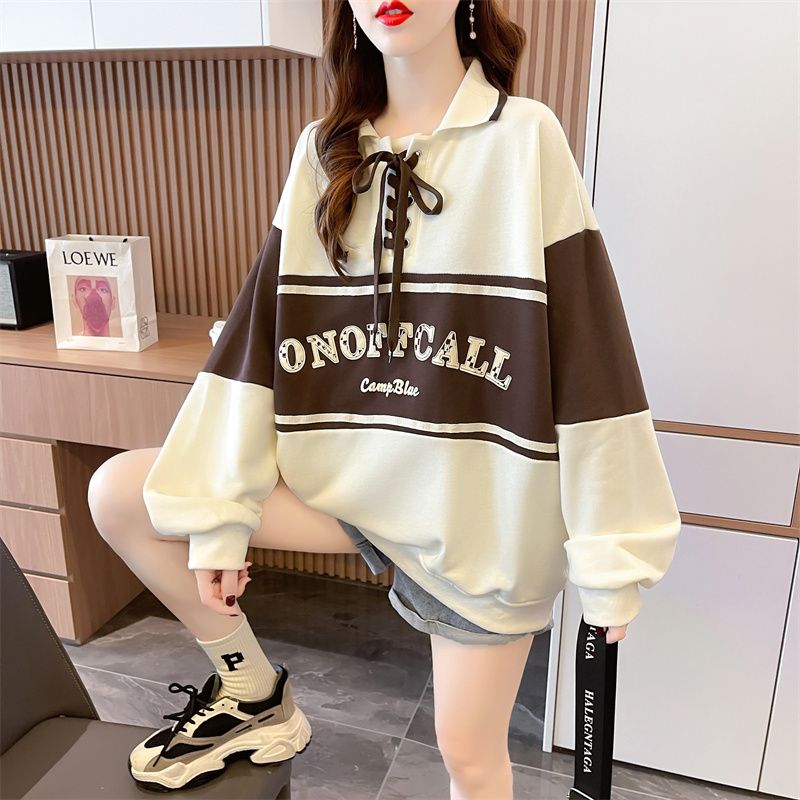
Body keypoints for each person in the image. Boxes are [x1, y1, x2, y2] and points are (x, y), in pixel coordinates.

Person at [87, 1, 682, 797]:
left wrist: (613, 551)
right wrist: (220, 517)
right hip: (351, 493)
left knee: (469, 756)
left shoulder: (524, 139)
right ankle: (252, 695)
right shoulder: (323, 151)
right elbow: (256, 343)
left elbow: (591, 352)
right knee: (121, 493)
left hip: (476, 519)